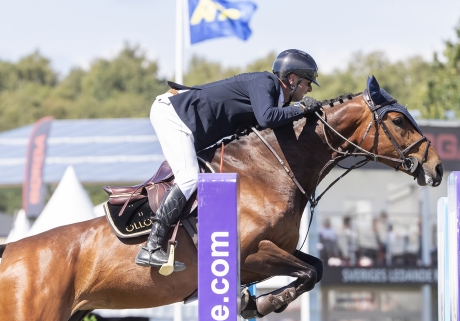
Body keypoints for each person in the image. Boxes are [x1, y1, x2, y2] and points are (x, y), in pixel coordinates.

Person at [135, 49, 322, 271]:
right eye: (308, 82)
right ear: (292, 79)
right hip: (174, 115)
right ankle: (151, 245)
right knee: (188, 177)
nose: (309, 88)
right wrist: (300, 108)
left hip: (188, 123)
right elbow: (266, 118)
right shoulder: (266, 83)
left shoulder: (273, 97)